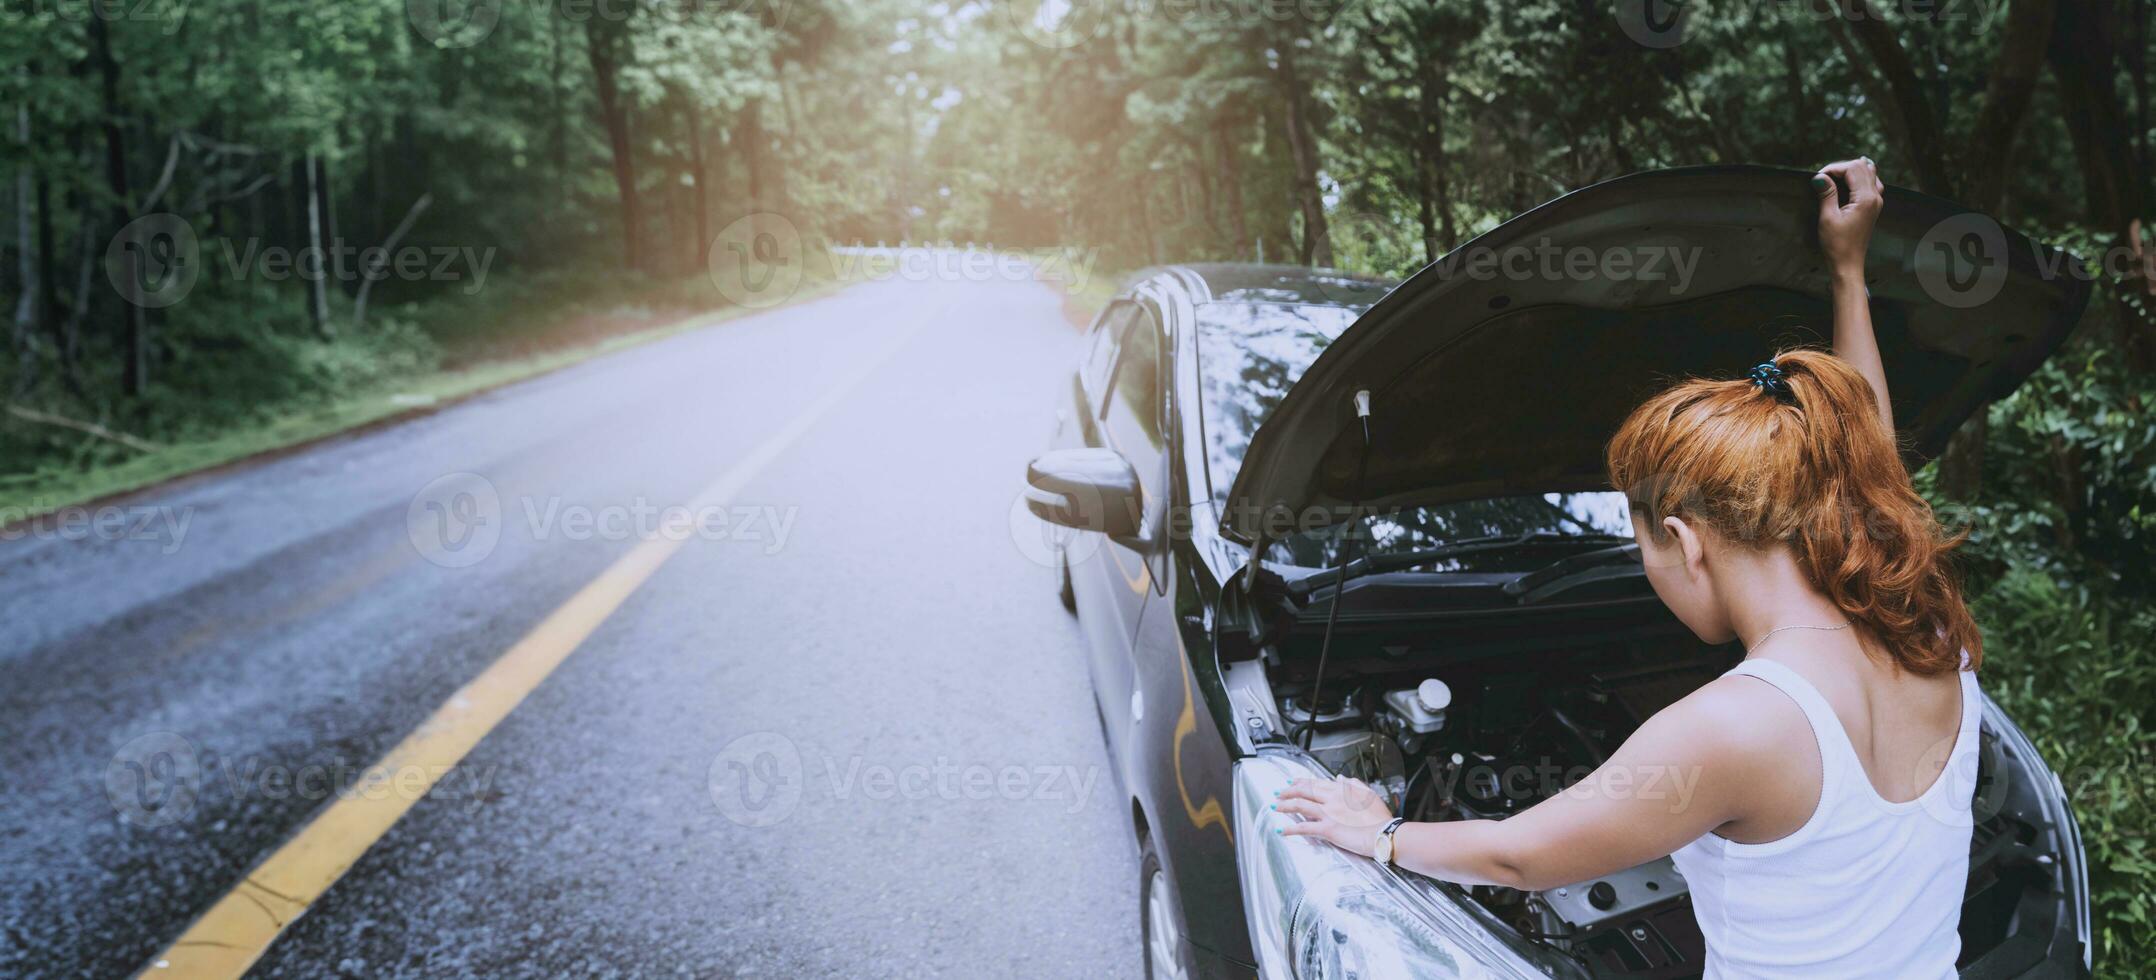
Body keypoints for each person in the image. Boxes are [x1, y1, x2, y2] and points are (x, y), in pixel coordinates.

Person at [1272, 158, 1984, 979]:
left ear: (1685, 541)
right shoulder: (1926, 626)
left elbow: (1518, 856)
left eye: (1638, 540)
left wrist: (1380, 829)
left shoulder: (1733, 728)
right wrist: (1848, 270)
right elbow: (1870, 462)